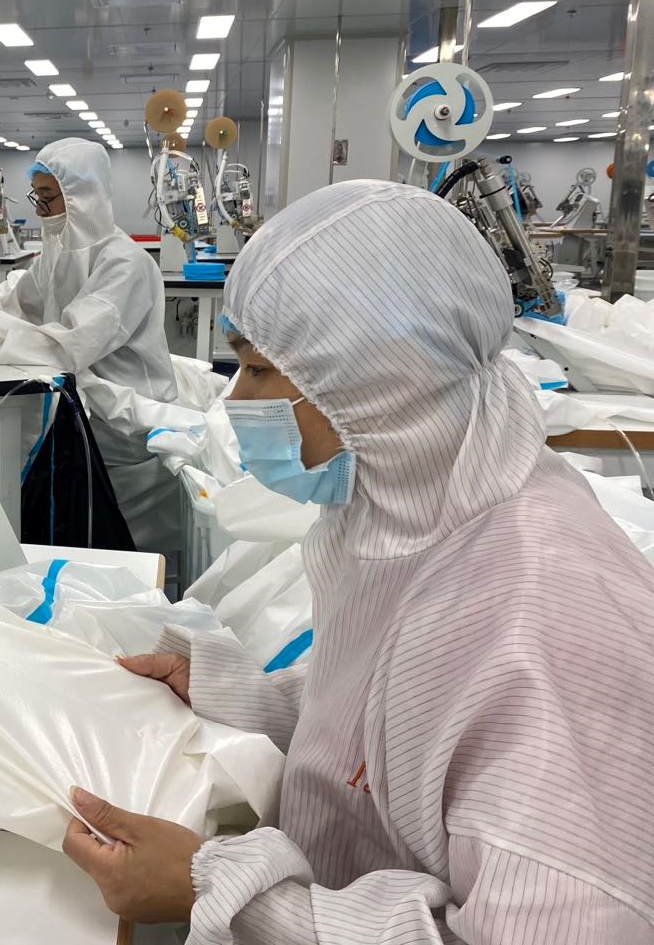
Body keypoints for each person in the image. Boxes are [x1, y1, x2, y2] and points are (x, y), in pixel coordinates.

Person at [61, 179, 654, 941]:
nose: (234, 402)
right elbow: (396, 730)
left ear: (377, 386)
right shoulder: (418, 520)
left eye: (258, 370)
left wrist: (222, 893)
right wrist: (240, 695)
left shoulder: (546, 620)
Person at [0, 138, 181, 568]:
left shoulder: (126, 264)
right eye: (36, 197)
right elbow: (17, 299)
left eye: (47, 197)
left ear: (81, 197)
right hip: (82, 399)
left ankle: (8, 555)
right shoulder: (58, 254)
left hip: (120, 422)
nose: (40, 210)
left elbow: (68, 345)